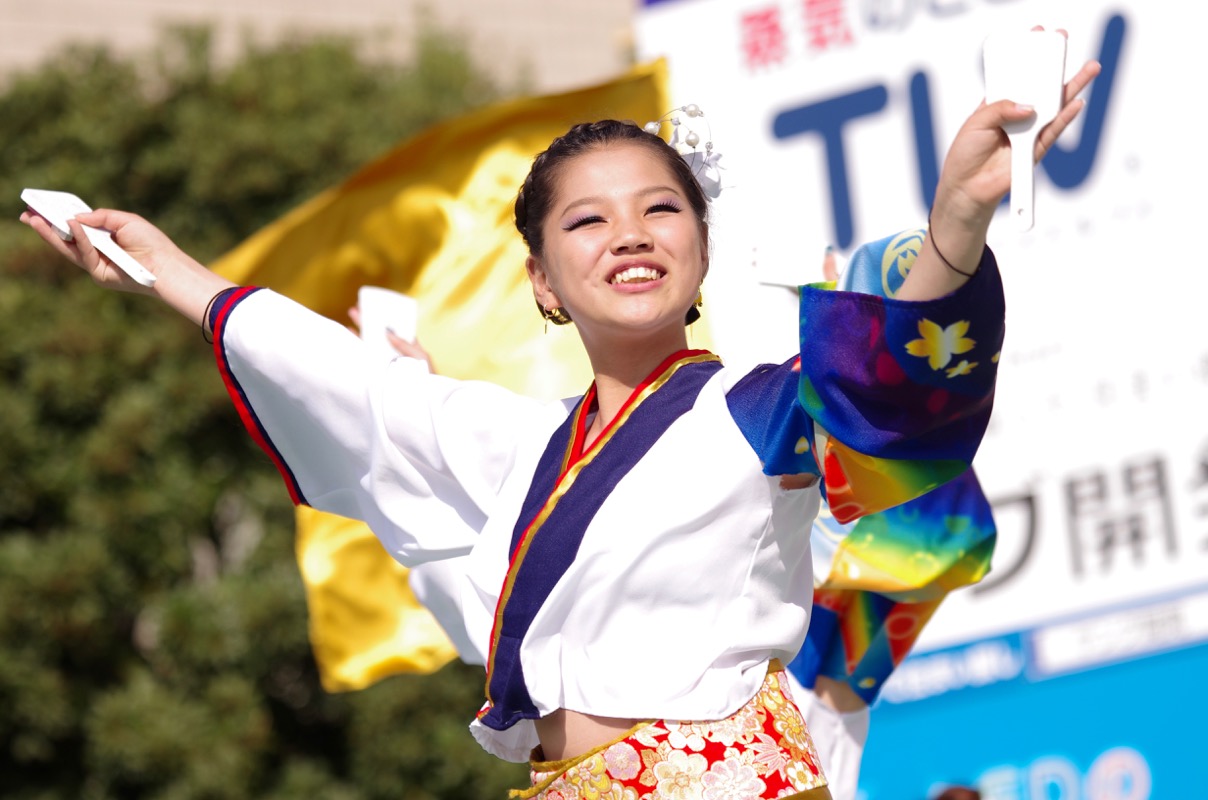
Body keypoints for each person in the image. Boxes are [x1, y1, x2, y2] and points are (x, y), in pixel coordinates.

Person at [21, 40, 1099, 799]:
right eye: (587, 219)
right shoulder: (523, 444)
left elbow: (890, 392)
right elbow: (359, 398)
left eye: (659, 208)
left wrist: (956, 219)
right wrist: (169, 272)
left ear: (699, 257)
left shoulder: (759, 407)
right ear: (542, 282)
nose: (628, 233)